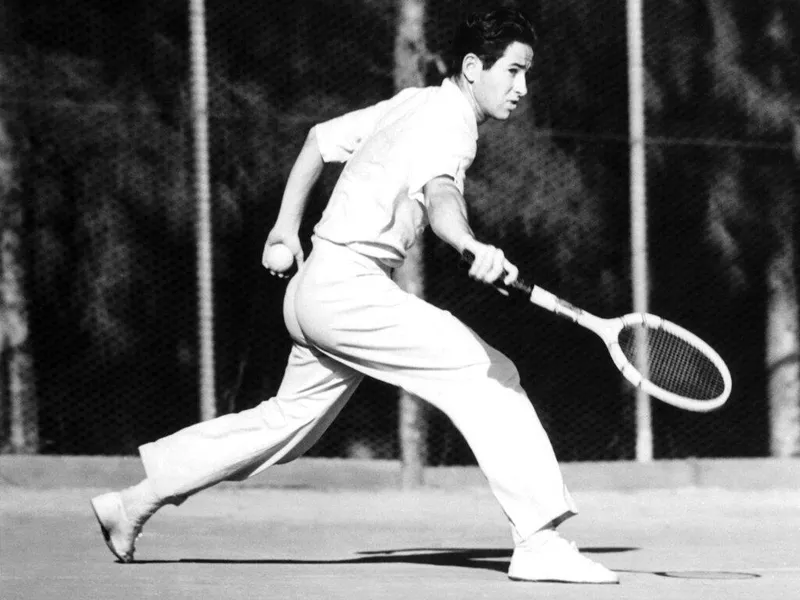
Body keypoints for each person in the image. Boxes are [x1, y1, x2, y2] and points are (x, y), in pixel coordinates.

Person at [91, 8, 618, 584]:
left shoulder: (412, 102)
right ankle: (539, 540)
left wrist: (285, 228)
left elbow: (320, 140)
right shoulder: (452, 122)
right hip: (348, 288)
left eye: (527, 74)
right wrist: (469, 243)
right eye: (514, 71)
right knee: (491, 374)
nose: (522, 88)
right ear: (473, 68)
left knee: (284, 428)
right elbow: (442, 192)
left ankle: (133, 503)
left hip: (315, 284)